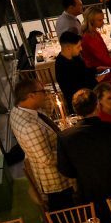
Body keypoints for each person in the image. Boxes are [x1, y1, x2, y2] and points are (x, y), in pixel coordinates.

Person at [56, 89, 111, 223]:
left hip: (91, 195)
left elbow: (65, 170)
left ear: (76, 110)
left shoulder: (65, 137)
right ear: (97, 105)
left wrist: (85, 172)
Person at [10, 78, 76, 210]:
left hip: (48, 174)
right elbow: (47, 159)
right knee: (67, 212)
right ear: (31, 96)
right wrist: (71, 152)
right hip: (56, 180)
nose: (46, 93)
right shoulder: (30, 126)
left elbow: (46, 114)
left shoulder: (19, 110)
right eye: (43, 91)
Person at [54, 32, 104, 108]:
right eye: (78, 46)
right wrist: (96, 80)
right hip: (79, 104)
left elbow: (83, 72)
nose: (81, 48)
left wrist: (96, 70)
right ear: (68, 47)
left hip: (90, 96)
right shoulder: (61, 65)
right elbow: (74, 89)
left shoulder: (75, 57)